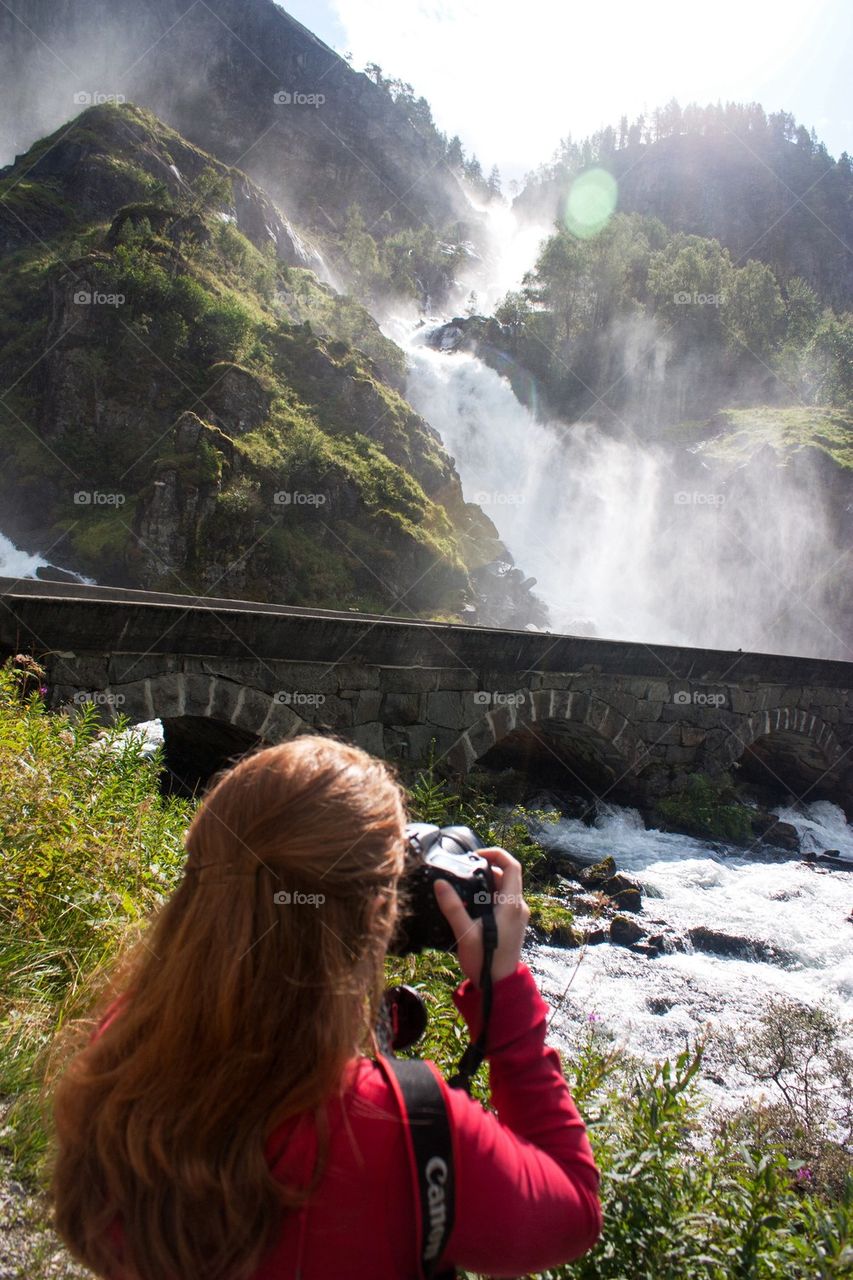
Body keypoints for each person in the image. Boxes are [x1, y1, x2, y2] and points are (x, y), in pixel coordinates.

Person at [50, 735, 602, 1279]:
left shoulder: (123, 1047)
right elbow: (574, 1210)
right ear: (382, 914)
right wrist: (501, 989)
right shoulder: (412, 1131)